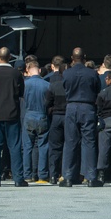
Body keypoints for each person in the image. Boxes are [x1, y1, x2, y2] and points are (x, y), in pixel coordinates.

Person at [61, 47, 103, 187]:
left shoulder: (67, 73)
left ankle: (67, 177)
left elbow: (65, 88)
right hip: (87, 106)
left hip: (72, 106)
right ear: (84, 57)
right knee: (89, 142)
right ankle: (91, 177)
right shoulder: (92, 73)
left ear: (72, 58)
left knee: (70, 142)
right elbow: (97, 89)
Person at [0, 47, 26, 187]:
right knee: (15, 146)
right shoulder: (16, 74)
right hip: (12, 113)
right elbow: (21, 92)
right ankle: (18, 178)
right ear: (10, 57)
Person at [22, 58, 51, 183]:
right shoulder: (47, 85)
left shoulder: (25, 84)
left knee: (27, 146)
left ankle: (27, 174)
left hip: (29, 115)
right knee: (43, 145)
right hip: (42, 115)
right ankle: (42, 174)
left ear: (28, 70)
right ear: (39, 70)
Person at [45, 56, 68, 184]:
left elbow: (47, 103)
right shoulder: (69, 85)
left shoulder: (52, 85)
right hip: (67, 116)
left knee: (54, 147)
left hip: (56, 116)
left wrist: (50, 111)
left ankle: (53, 175)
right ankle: (65, 174)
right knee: (68, 145)